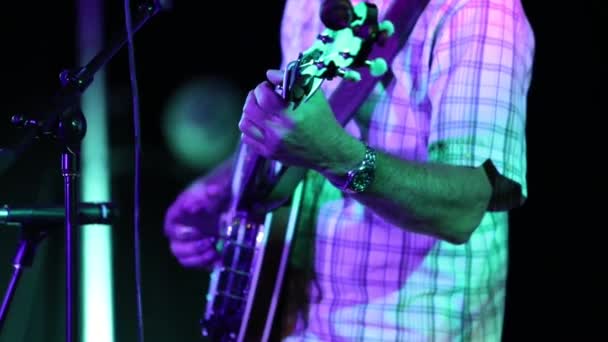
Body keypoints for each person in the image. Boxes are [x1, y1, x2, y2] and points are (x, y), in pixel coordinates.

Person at [163, 0, 535, 340]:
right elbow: (299, 132)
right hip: (291, 321)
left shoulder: (478, 11)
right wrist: (218, 188)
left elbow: (463, 209)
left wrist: (338, 157)